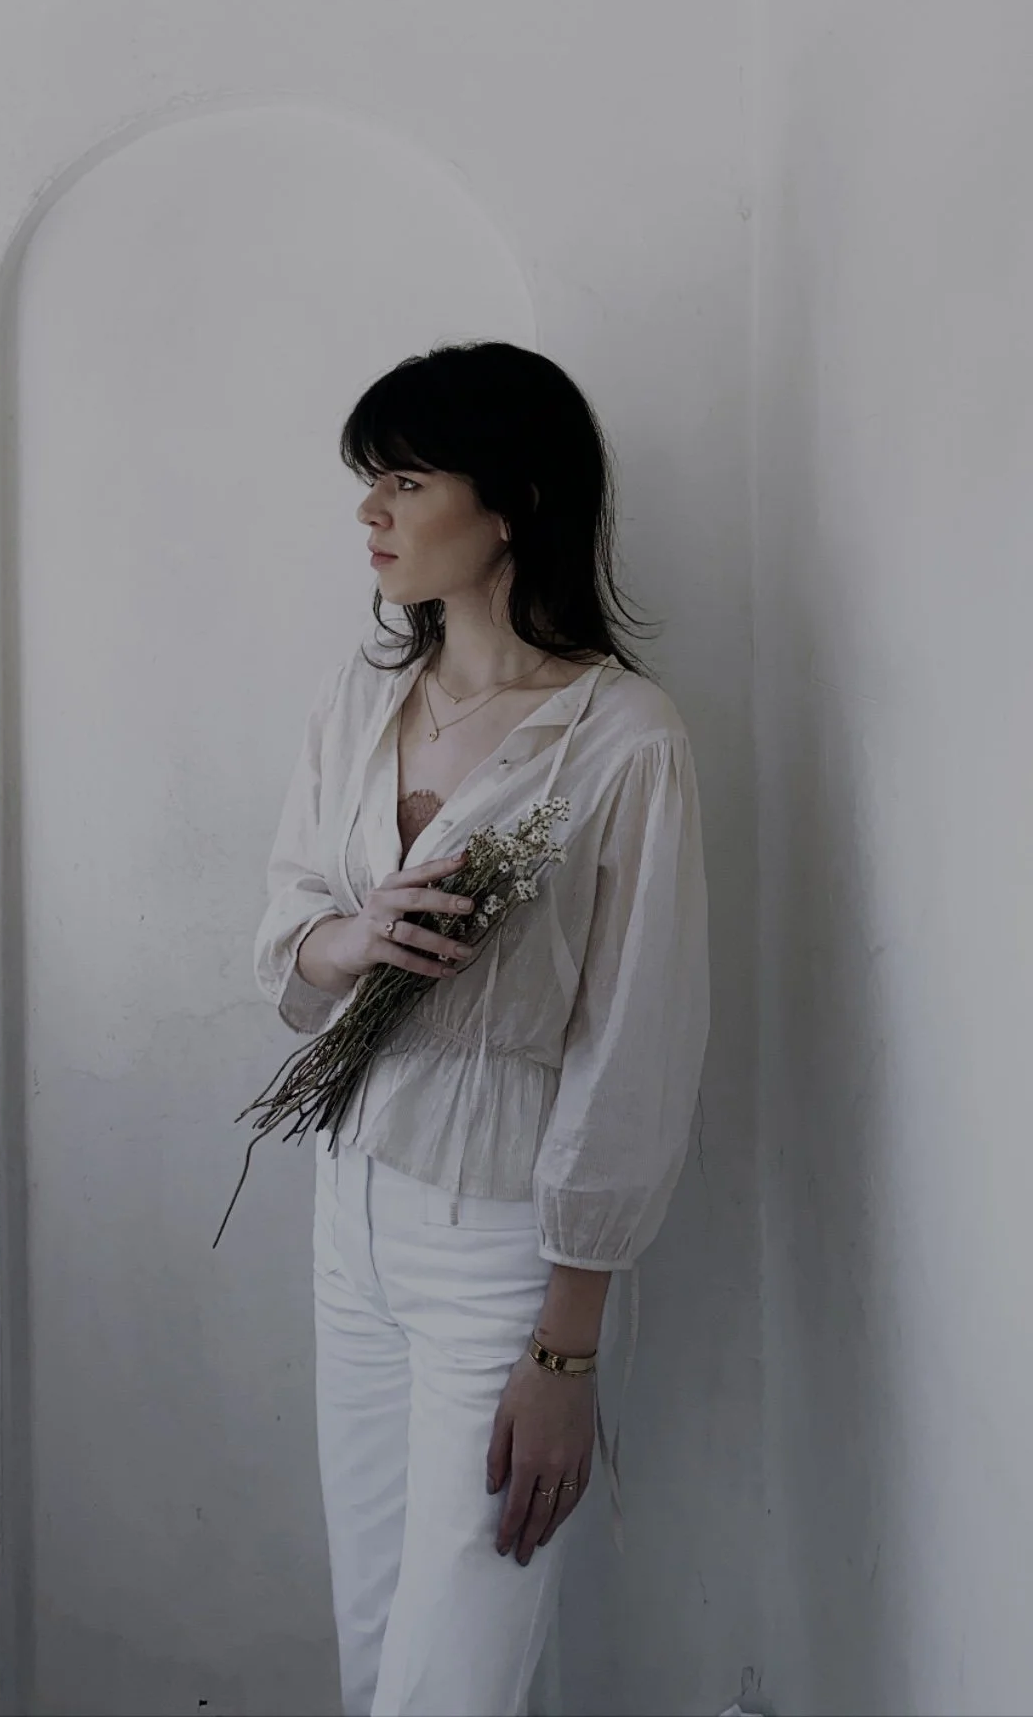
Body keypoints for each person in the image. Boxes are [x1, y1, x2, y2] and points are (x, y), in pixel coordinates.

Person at [253, 340, 710, 1717]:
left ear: (509, 500)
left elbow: (638, 1044)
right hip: (352, 1210)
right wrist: (358, 936)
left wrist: (565, 1350)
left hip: (502, 1247)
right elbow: (286, 934)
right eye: (365, 482)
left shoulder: (620, 738)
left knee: (454, 1676)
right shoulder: (360, 699)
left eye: (402, 478)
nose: (369, 515)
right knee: (375, 1634)